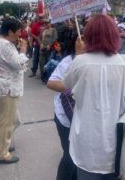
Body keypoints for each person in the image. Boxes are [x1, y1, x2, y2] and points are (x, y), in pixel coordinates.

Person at [61, 14, 125, 180]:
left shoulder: (80, 62)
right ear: (114, 35)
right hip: (117, 142)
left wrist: (78, 54)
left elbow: (66, 84)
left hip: (86, 141)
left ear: (88, 36)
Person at [0, 18, 28, 164]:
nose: (21, 33)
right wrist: (23, 50)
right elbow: (18, 64)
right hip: (6, 89)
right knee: (5, 123)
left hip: (1, 87)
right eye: (19, 31)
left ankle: (0, 145)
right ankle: (0, 153)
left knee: (13, 120)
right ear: (10, 32)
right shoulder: (6, 45)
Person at [47, 52, 78, 180]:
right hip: (66, 116)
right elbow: (51, 83)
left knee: (79, 158)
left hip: (86, 119)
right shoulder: (70, 61)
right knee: (70, 156)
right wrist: (76, 87)